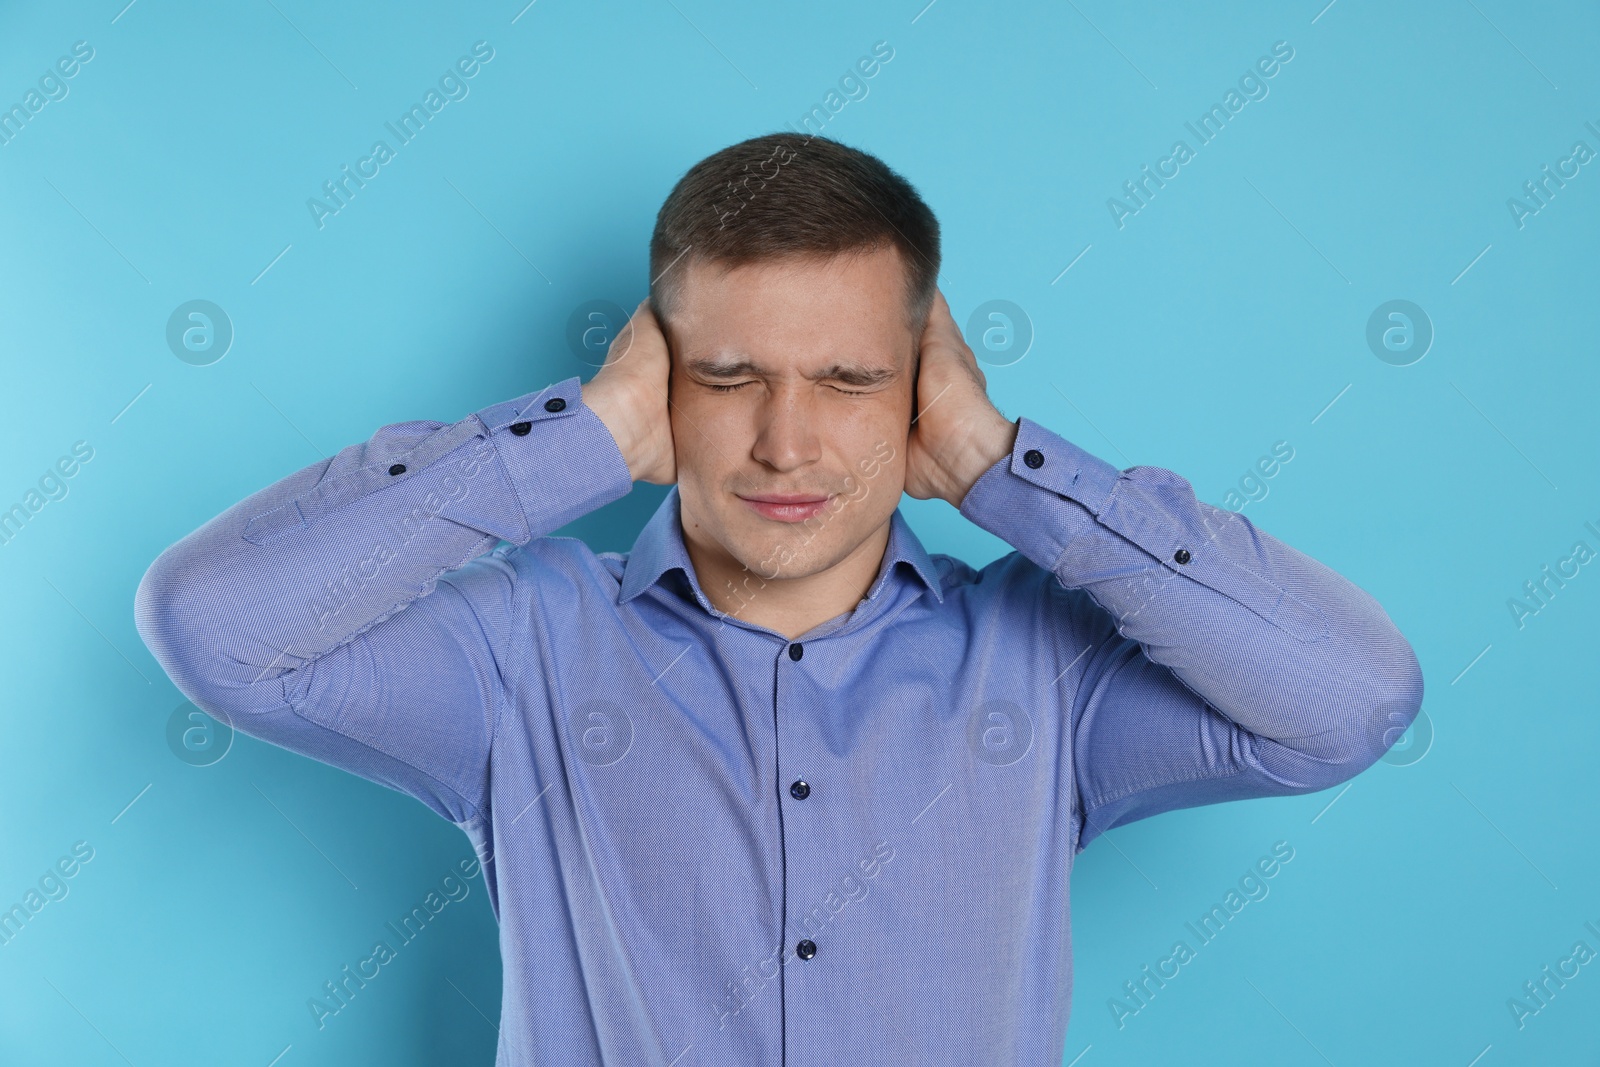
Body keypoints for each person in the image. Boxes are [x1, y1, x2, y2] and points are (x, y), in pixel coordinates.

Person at [135, 131, 1424, 1066]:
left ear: (924, 384)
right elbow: (217, 624)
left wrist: (1000, 468)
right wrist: (579, 437)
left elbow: (1350, 703)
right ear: (660, 377)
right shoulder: (516, 652)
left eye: (852, 380)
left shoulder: (1044, 667)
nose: (787, 443)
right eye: (732, 374)